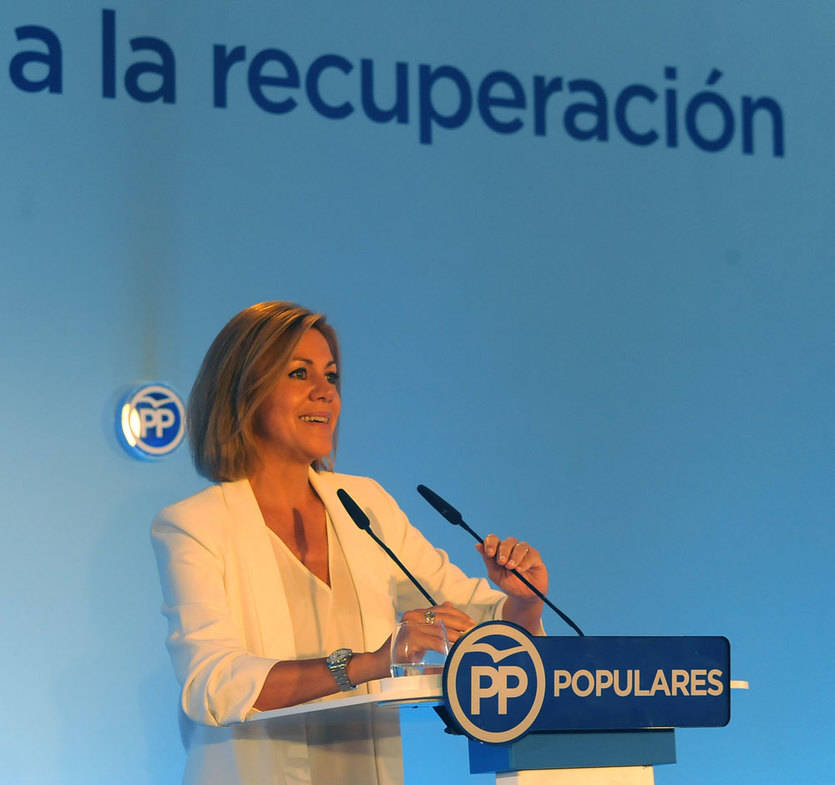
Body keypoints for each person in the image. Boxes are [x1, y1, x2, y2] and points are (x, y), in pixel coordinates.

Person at [151, 301, 549, 785]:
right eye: (299, 373)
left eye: (332, 377)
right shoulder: (194, 525)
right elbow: (212, 684)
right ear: (243, 391)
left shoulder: (365, 504)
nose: (325, 393)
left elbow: (473, 620)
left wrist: (524, 602)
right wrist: (368, 664)